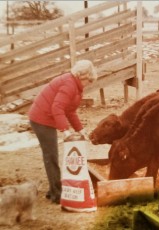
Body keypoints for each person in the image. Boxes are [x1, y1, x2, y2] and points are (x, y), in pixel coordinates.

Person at [29, 60, 97, 204]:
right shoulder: (69, 84)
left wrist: (80, 129)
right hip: (41, 119)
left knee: (51, 155)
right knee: (51, 155)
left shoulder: (75, 86)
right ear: (82, 76)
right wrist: (65, 130)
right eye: (89, 80)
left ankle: (53, 189)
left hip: (47, 117)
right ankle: (56, 194)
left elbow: (70, 110)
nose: (89, 83)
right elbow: (57, 108)